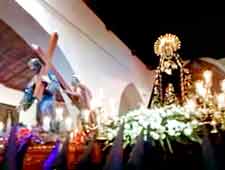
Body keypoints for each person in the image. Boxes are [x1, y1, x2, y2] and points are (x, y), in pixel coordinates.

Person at [18, 58, 60, 132]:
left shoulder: (48, 73)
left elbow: (56, 85)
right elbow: (29, 91)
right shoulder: (35, 78)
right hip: (39, 99)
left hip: (49, 98)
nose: (34, 70)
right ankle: (41, 127)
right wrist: (23, 103)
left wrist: (48, 82)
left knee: (47, 113)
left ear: (38, 65)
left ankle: (51, 129)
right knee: (39, 116)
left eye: (34, 68)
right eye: (32, 69)